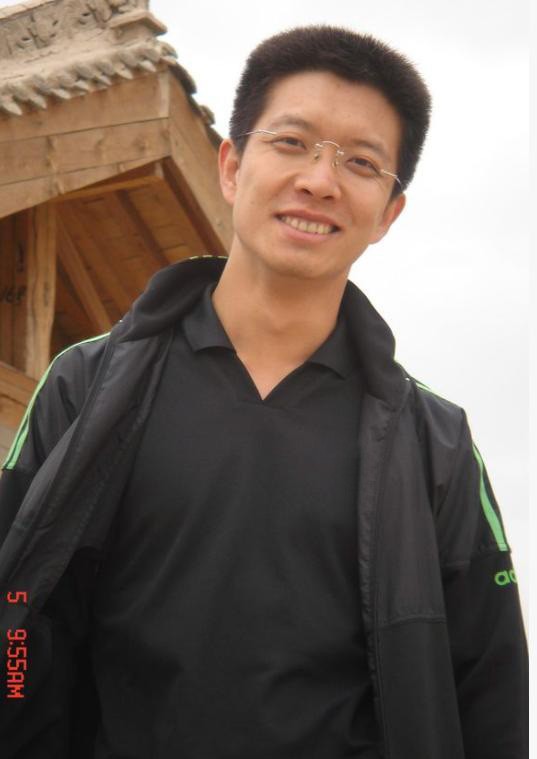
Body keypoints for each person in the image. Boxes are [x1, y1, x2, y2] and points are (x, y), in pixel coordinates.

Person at [0, 25, 527, 759]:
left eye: (361, 161)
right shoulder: (87, 387)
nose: (319, 180)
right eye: (291, 142)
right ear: (231, 165)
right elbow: (16, 605)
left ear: (388, 212)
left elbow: (489, 688)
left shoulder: (433, 441)